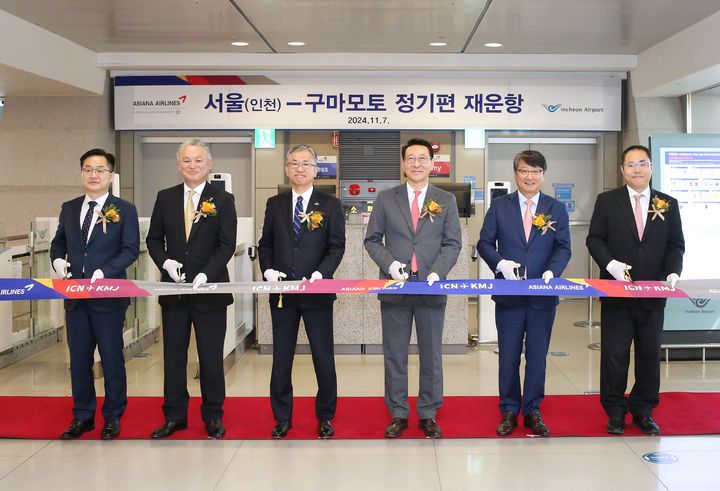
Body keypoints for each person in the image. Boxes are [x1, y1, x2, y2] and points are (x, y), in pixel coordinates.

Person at [364, 138, 462, 439]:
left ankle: (428, 413)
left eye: (422, 158)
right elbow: (372, 240)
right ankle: (398, 413)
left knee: (431, 354)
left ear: (432, 164)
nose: (416, 163)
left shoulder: (446, 199)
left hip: (431, 287)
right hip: (396, 287)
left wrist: (438, 272)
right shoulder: (386, 198)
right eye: (411, 158)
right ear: (403, 163)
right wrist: (391, 264)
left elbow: (452, 243)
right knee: (395, 354)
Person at [587, 144, 684, 435]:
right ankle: (615, 411)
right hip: (617, 292)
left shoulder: (668, 203)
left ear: (651, 167)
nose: (637, 169)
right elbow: (594, 239)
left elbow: (675, 244)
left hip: (654, 293)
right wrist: (611, 265)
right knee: (614, 354)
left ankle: (643, 409)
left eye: (642, 163)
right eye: (631, 164)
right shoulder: (607, 201)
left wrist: (673, 271)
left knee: (649, 354)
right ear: (622, 170)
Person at [146, 138, 237, 439]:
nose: (192, 165)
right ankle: (174, 416)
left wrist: (207, 274)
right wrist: (165, 263)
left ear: (209, 164)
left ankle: (213, 415)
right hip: (174, 292)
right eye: (186, 160)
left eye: (198, 160)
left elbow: (226, 245)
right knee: (173, 358)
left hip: (210, 292)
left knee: (210, 358)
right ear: (178, 164)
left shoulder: (223, 199)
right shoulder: (165, 197)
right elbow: (153, 239)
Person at [478, 150, 571, 437]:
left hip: (543, 296)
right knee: (508, 355)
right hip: (509, 295)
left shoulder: (556, 208)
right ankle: (508, 410)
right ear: (516, 173)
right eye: (524, 171)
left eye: (535, 171)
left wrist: (553, 271)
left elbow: (563, 247)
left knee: (537, 356)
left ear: (543, 174)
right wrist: (500, 264)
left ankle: (532, 410)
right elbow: (484, 243)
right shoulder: (499, 206)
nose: (530, 177)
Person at [50, 148, 140, 440]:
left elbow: (130, 250)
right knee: (79, 360)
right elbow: (58, 243)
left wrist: (105, 271)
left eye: (100, 170)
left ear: (111, 176)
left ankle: (113, 417)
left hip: (108, 297)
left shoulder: (124, 209)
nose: (93, 175)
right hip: (76, 298)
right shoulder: (69, 208)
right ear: (81, 174)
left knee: (111, 359)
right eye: (87, 169)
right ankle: (83, 416)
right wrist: (57, 261)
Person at [258, 144, 346, 439]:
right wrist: (268, 270)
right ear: (286, 169)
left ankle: (325, 416)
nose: (300, 168)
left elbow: (336, 246)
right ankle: (282, 417)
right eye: (294, 163)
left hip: (317, 292)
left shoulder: (330, 204)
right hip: (282, 294)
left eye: (306, 163)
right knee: (281, 359)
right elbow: (266, 244)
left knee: (323, 358)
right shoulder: (275, 204)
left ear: (316, 170)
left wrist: (322, 274)